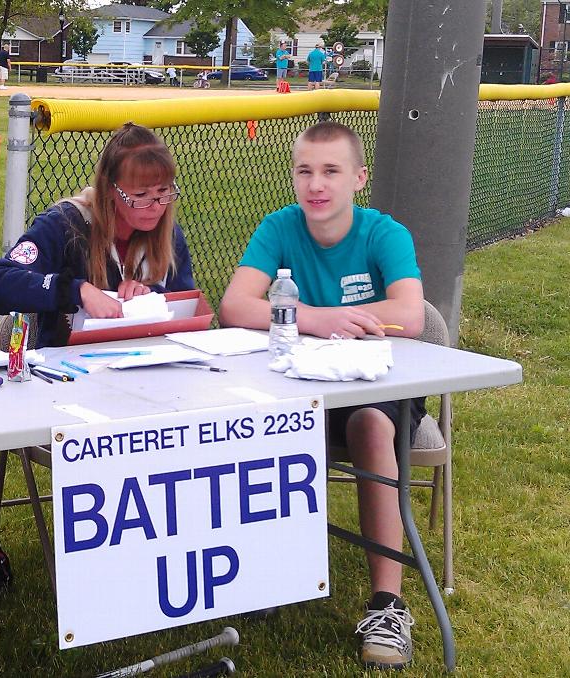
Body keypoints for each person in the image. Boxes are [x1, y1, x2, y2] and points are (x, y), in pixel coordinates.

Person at [219, 121, 426, 670]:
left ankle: (388, 602)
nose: (317, 184)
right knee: (248, 419)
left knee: (368, 427)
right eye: (305, 170)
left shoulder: (384, 233)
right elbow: (235, 305)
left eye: (331, 171)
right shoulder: (280, 227)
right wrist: (318, 318)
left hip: (375, 386)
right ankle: (266, 572)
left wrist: (323, 321)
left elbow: (409, 314)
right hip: (297, 384)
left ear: (358, 178)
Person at [0, 122, 195, 348]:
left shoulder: (167, 233)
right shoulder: (65, 224)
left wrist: (151, 294)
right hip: (70, 368)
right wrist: (75, 290)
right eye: (140, 195)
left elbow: (186, 307)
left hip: (148, 360)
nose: (156, 206)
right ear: (110, 190)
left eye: (164, 191)